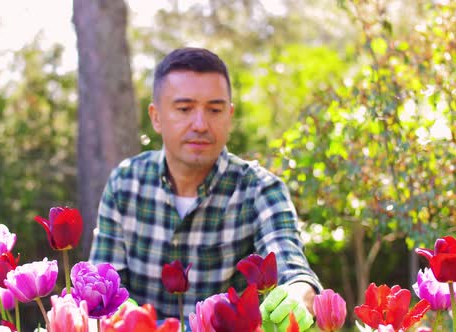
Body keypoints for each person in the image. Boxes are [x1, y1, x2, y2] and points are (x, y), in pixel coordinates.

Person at [89, 47, 322, 329]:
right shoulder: (125, 184)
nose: (200, 124)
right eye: (184, 109)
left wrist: (298, 293)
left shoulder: (260, 189)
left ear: (230, 115)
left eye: (214, 110)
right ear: (156, 117)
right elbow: (103, 282)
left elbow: (292, 268)